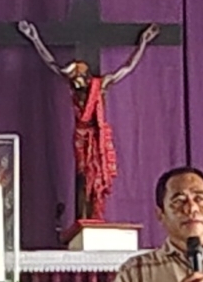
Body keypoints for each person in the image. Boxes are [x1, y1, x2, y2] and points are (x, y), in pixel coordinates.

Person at [17, 20, 161, 224]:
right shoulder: (73, 87)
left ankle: (94, 218)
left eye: (76, 76)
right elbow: (51, 62)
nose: (74, 80)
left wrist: (143, 42)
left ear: (84, 75)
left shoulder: (100, 85)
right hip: (81, 138)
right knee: (83, 178)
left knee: (96, 179)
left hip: (96, 136)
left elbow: (127, 67)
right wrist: (34, 38)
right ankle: (83, 220)